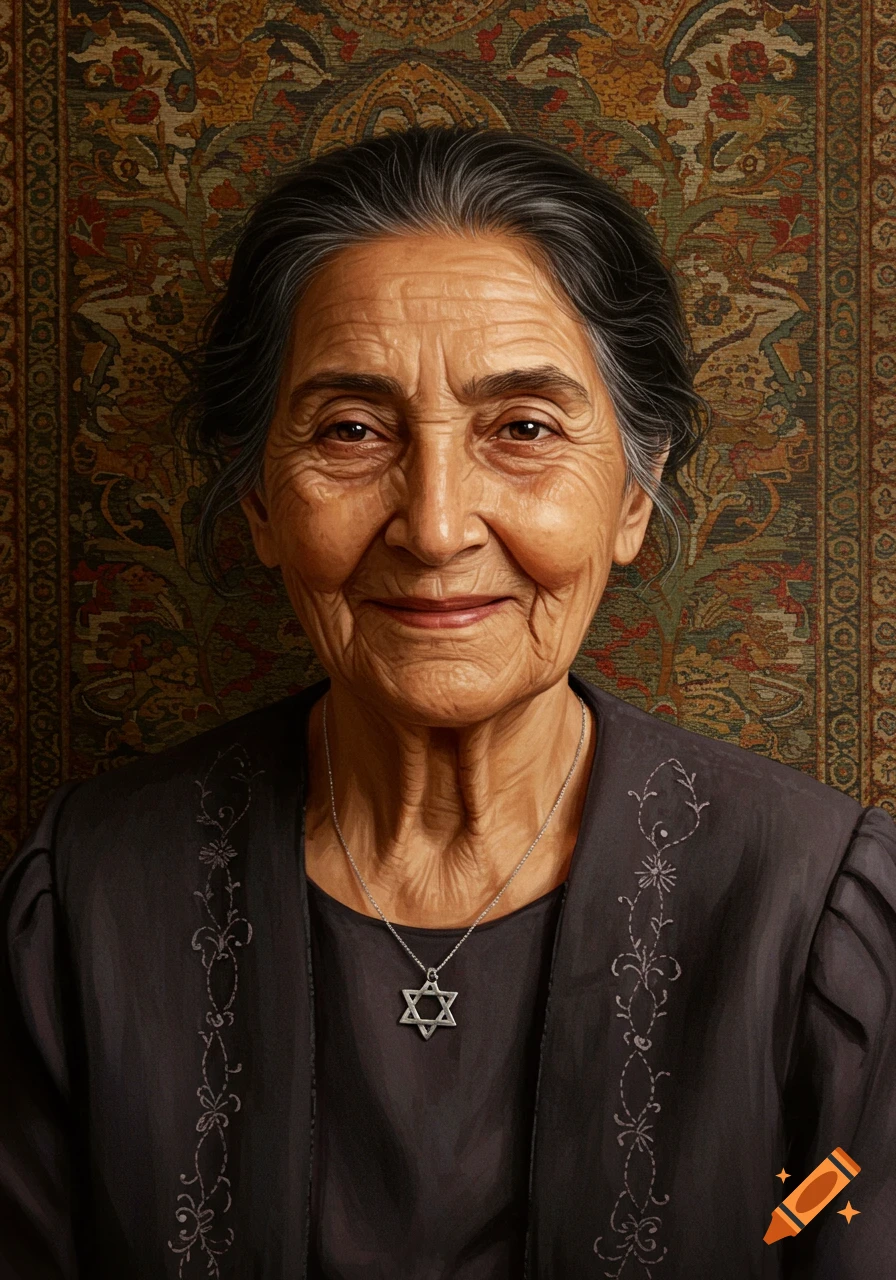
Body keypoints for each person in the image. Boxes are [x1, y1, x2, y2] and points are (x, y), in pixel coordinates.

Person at [1, 124, 893, 1280]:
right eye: (351, 431)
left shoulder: (817, 914)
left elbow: (838, 1223)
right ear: (262, 501)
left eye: (520, 429)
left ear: (632, 493)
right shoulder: (86, 900)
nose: (432, 525)